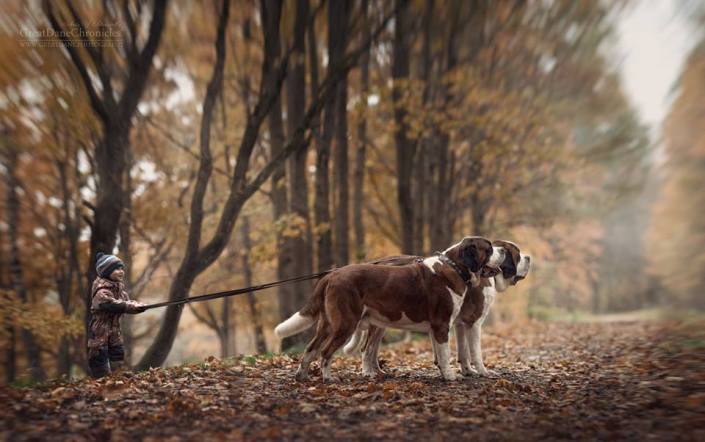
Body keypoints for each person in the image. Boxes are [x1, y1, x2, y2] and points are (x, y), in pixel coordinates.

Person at [88, 252, 147, 378]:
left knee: (117, 356)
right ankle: (101, 383)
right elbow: (113, 305)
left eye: (121, 268)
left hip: (114, 332)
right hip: (100, 333)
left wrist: (139, 306)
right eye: (116, 269)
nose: (121, 271)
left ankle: (117, 379)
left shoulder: (120, 290)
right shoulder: (101, 292)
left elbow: (127, 303)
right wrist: (129, 306)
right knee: (100, 359)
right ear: (106, 271)